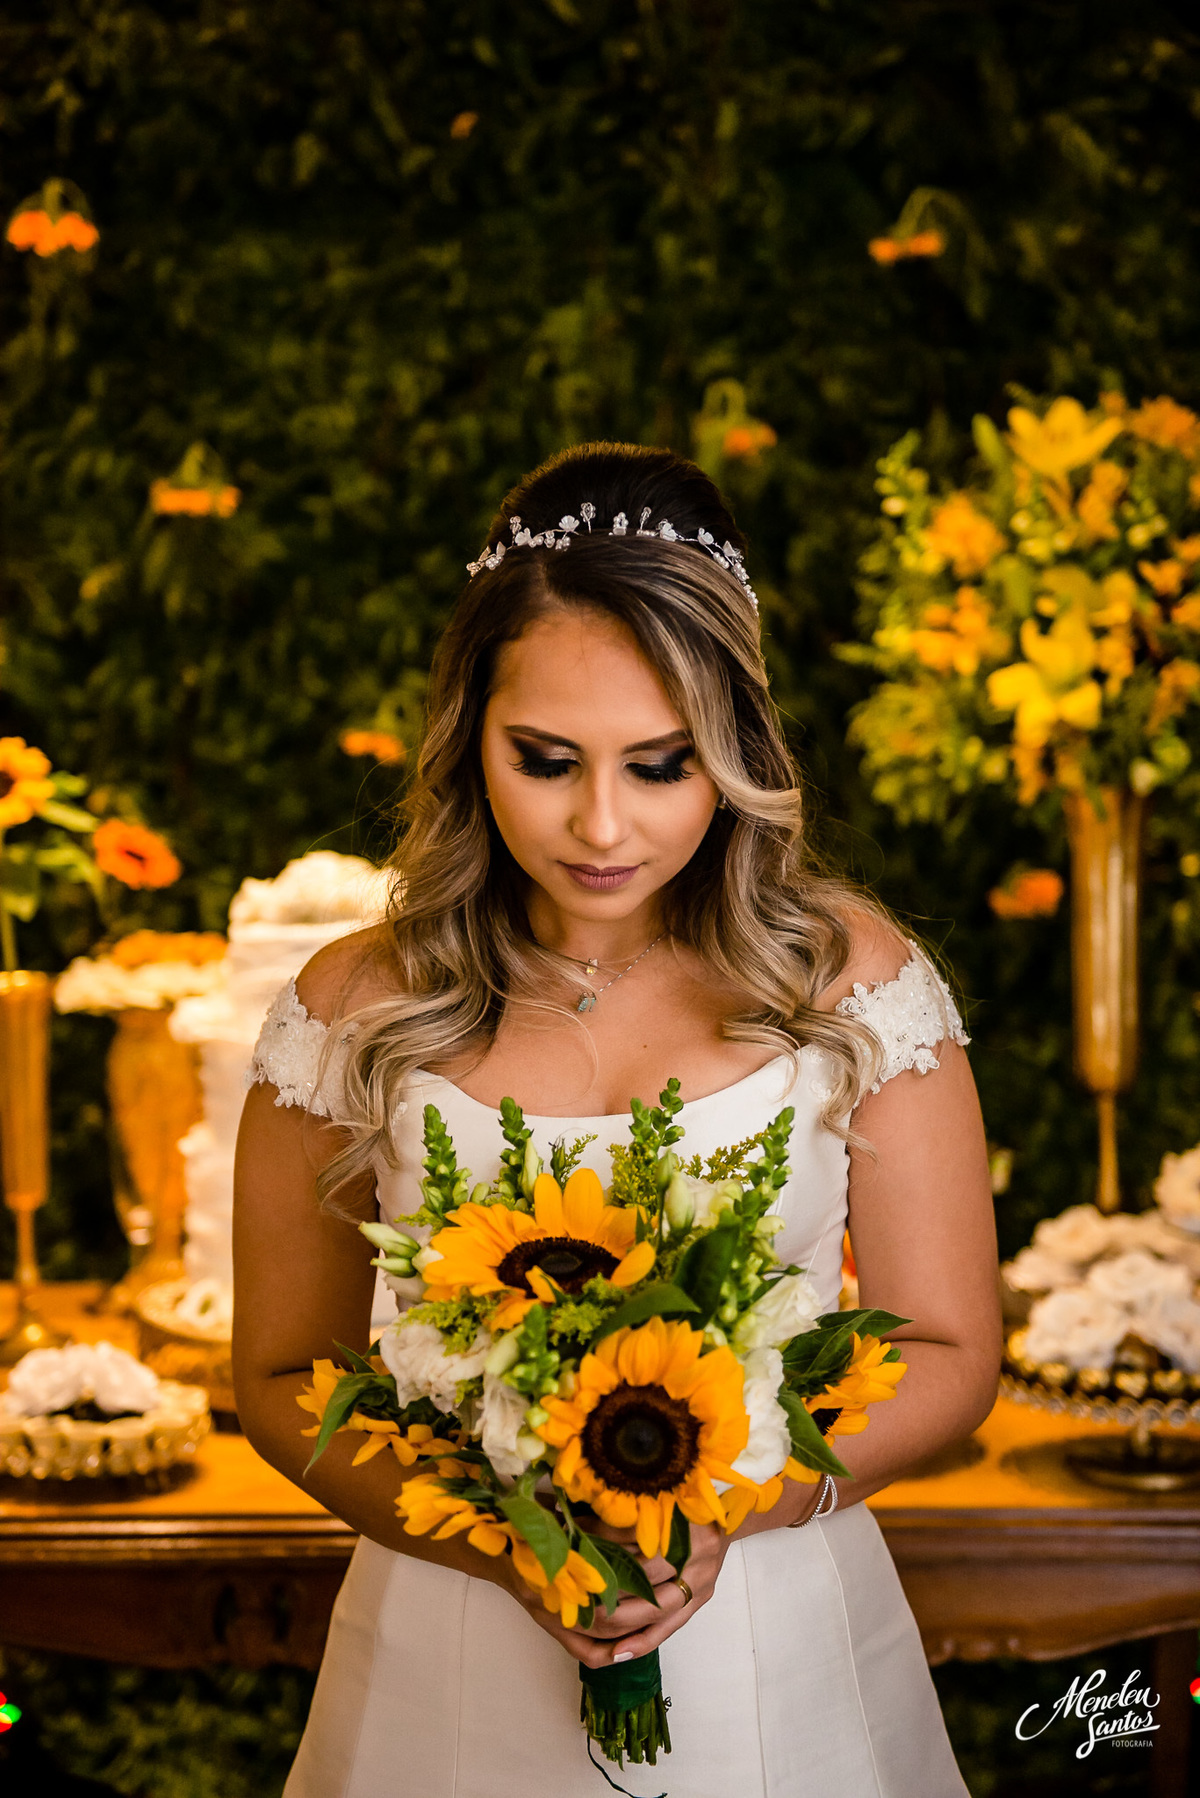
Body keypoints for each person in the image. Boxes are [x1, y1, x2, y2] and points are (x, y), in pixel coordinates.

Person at [233, 441, 1000, 1798]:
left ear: (737, 751)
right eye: (546, 759)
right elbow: (283, 1369)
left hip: (775, 1640)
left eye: (662, 763)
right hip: (448, 1660)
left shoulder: (854, 982)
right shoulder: (354, 1004)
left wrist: (721, 1508)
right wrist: (502, 1541)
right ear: (470, 728)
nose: (602, 823)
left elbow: (949, 1349)